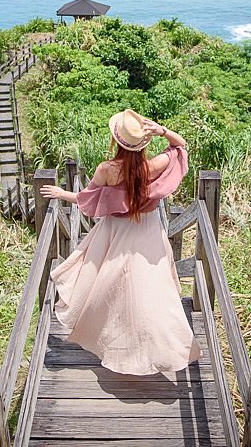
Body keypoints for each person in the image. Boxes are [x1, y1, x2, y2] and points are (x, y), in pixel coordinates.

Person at [39, 108, 205, 376]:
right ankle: (164, 344)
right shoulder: (154, 166)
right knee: (150, 287)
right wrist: (161, 130)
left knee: (109, 284)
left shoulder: (107, 170)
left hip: (116, 231)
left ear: (116, 141)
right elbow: (180, 145)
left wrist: (61, 193)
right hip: (148, 230)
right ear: (144, 143)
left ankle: (114, 341)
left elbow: (87, 200)